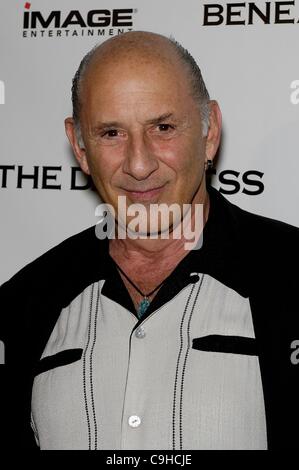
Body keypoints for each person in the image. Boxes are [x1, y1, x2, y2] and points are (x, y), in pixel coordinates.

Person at [0, 31, 298, 451]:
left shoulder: (293, 276)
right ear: (79, 146)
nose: (139, 165)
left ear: (209, 131)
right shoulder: (23, 304)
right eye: (111, 133)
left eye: (163, 127)